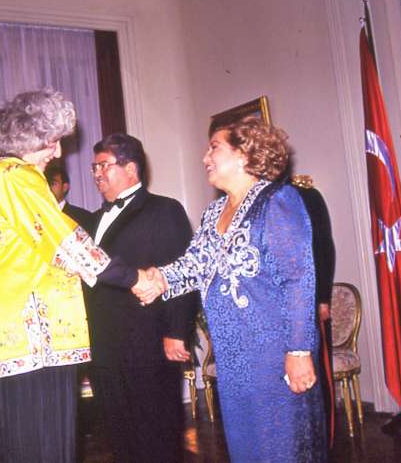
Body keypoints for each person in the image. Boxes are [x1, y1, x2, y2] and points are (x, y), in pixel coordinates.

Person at [135, 117, 326, 463]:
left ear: (244, 154)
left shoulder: (277, 200)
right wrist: (158, 278)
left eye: (214, 148)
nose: (205, 157)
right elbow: (193, 265)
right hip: (234, 360)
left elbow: (298, 278)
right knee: (247, 450)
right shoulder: (213, 213)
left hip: (275, 357)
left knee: (282, 449)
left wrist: (298, 351)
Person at [0, 88, 140, 463]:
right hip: (32, 344)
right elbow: (66, 241)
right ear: (29, 137)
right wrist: (134, 278)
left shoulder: (2, 177)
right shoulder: (16, 176)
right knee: (42, 444)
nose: (58, 152)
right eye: (52, 141)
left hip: (15, 343)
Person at [86, 133, 198, 463]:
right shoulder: (94, 220)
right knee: (119, 431)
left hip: (148, 342)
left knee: (157, 429)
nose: (96, 174)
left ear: (131, 168)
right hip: (105, 347)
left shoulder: (164, 209)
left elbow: (183, 272)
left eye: (103, 166)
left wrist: (177, 331)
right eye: (94, 168)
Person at [292, 174, 336, 448]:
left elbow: (323, 247)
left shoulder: (306, 195)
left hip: (308, 304)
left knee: (318, 379)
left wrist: (322, 298)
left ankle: (323, 443)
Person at [45, 160, 94, 229]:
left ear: (65, 187)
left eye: (53, 184)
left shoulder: (82, 216)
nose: (48, 188)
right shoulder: (37, 215)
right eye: (45, 184)